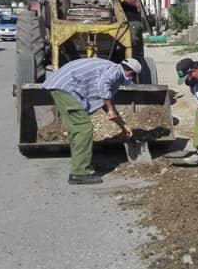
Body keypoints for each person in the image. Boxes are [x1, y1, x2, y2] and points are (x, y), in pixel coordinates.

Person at [42, 57, 141, 185]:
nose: (130, 80)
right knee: (84, 128)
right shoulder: (115, 71)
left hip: (62, 86)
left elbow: (107, 103)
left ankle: (79, 163)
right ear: (130, 73)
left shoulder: (110, 71)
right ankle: (79, 173)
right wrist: (111, 110)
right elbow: (103, 87)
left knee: (77, 128)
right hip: (66, 88)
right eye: (132, 77)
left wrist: (123, 126)